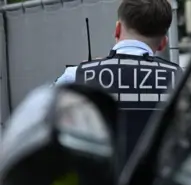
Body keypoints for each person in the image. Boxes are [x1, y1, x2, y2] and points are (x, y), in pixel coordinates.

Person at [55, 0, 182, 167]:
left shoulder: (77, 76)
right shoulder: (179, 80)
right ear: (163, 43)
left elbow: (45, 123)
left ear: (117, 29)